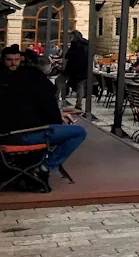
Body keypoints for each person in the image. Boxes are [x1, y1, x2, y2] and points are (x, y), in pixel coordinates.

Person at [0, 54, 86, 189]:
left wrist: (57, 114)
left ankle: (41, 164)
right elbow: (50, 114)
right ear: (46, 70)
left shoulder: (12, 82)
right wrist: (58, 116)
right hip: (22, 135)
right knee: (78, 132)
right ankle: (44, 167)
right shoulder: (38, 83)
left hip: (9, 133)